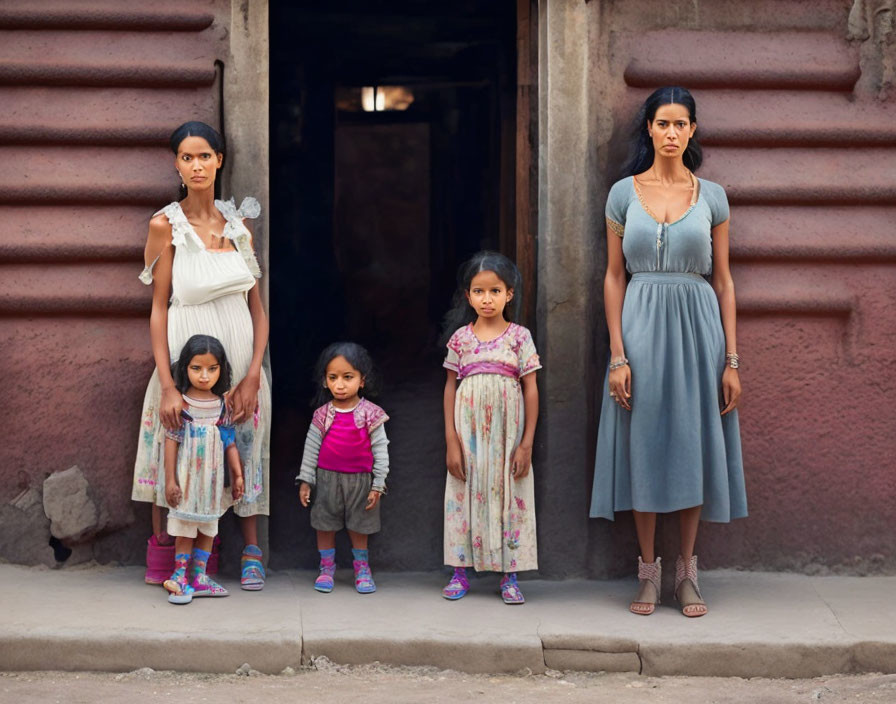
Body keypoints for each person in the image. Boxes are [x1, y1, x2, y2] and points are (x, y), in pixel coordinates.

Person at [590, 86, 747, 617]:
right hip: (638, 328)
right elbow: (613, 277)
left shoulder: (714, 197)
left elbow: (724, 282)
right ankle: (648, 572)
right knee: (644, 443)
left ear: (693, 130)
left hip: (699, 330)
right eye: (663, 124)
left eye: (682, 124)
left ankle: (686, 572)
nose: (673, 133)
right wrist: (617, 353)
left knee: (691, 443)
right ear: (650, 129)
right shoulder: (621, 195)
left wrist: (731, 360)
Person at [132, 121, 271, 590]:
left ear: (220, 160)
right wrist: (169, 384)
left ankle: (251, 551)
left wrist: (252, 373)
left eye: (205, 156)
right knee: (173, 447)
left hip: (240, 362)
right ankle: (169, 557)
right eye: (187, 157)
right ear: (176, 163)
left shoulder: (239, 227)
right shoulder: (163, 225)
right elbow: (157, 309)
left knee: (242, 448)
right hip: (181, 366)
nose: (197, 165)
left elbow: (258, 308)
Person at [441, 251, 541, 605]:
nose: (487, 299)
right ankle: (459, 571)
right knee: (463, 493)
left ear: (509, 294)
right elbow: (450, 387)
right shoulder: (461, 339)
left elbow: (530, 389)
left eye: (495, 291)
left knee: (507, 494)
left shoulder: (519, 338)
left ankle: (509, 575)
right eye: (479, 291)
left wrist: (526, 443)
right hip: (467, 434)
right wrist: (452, 441)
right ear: (468, 296)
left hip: (506, 435)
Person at [296, 343, 390, 594]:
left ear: (362, 380)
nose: (340, 384)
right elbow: (311, 449)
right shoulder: (322, 415)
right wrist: (306, 480)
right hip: (326, 481)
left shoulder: (371, 414)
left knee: (360, 525)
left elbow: (381, 451)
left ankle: (362, 568)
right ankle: (327, 569)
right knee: (324, 524)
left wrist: (378, 484)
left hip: (361, 482)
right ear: (325, 381)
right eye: (333, 377)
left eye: (348, 377)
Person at [162, 335, 244, 604]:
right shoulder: (181, 404)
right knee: (186, 527)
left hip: (211, 482)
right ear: (185, 367)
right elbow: (171, 442)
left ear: (221, 369)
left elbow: (229, 440)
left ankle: (200, 578)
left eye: (212, 369)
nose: (205, 376)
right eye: (197, 368)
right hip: (187, 480)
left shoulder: (222, 405)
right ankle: (179, 576)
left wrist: (237, 474)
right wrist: (170, 480)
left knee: (208, 526)